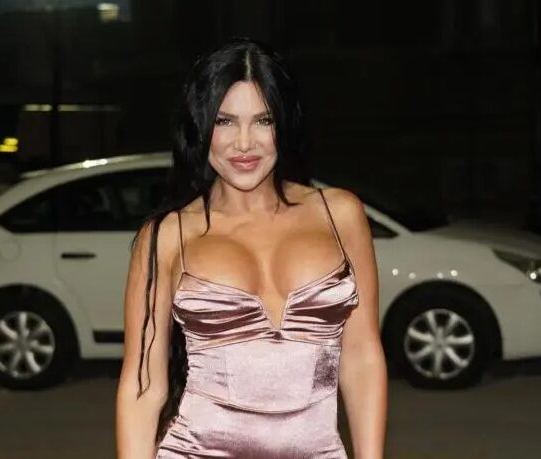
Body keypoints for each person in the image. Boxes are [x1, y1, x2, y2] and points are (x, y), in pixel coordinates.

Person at [116, 38, 387, 459]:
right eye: (224, 121)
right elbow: (143, 388)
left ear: (285, 124)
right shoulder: (167, 237)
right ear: (200, 126)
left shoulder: (340, 215)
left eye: (263, 120)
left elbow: (362, 358)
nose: (244, 143)